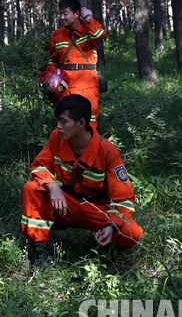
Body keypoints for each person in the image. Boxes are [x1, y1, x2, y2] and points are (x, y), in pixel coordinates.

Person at [21, 94, 142, 268]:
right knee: (31, 189)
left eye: (64, 122)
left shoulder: (108, 152)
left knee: (132, 234)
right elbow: (40, 167)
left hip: (97, 209)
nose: (58, 127)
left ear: (81, 123)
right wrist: (53, 186)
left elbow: (123, 199)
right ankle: (41, 251)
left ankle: (105, 247)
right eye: (58, 121)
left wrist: (111, 225)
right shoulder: (56, 137)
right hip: (66, 205)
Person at [47, 0, 106, 128]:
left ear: (77, 14)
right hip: (65, 87)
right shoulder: (57, 35)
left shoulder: (88, 30)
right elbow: (51, 58)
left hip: (88, 86)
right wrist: (52, 76)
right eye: (60, 14)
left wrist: (88, 17)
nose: (62, 17)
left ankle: (92, 149)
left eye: (65, 13)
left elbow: (99, 34)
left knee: (89, 125)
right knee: (66, 125)